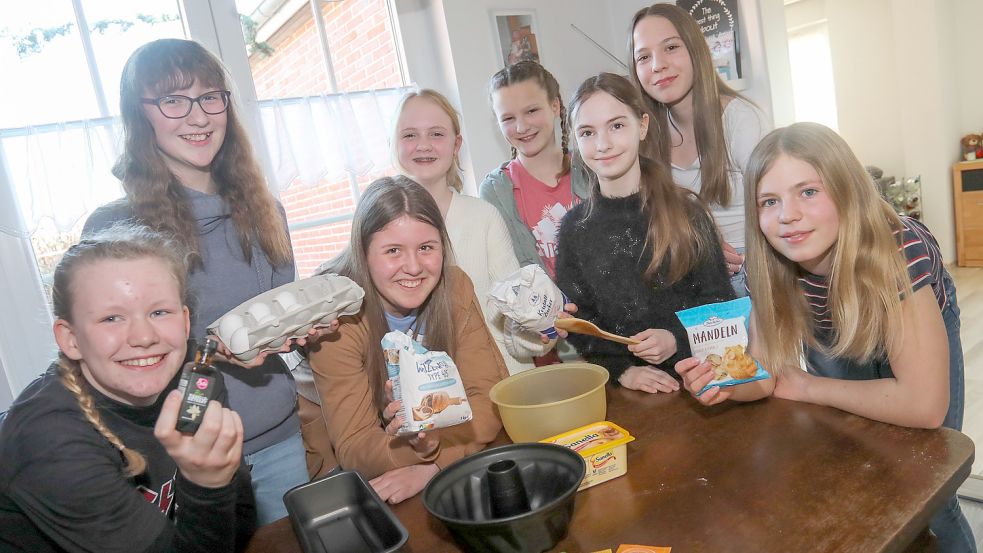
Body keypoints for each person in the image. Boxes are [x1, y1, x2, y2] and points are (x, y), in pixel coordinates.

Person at [675, 122, 975, 552]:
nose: (787, 215)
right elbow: (764, 377)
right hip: (838, 329)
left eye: (808, 192)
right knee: (856, 468)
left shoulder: (895, 251)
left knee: (930, 491)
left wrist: (811, 386)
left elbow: (925, 406)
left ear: (847, 190)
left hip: (907, 323)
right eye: (769, 201)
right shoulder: (770, 267)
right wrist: (720, 384)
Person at [82, 38, 311, 525]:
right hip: (182, 456)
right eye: (173, 100)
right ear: (140, 115)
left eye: (210, 96)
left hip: (278, 439)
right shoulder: (116, 230)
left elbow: (278, 318)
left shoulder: (267, 213)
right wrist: (202, 350)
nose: (198, 116)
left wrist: (303, 332)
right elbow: (110, 355)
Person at [0, 224, 255, 552]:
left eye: (159, 312)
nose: (144, 337)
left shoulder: (197, 377)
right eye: (111, 318)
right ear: (71, 339)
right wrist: (207, 486)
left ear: (186, 321)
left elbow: (240, 518)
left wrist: (214, 483)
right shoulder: (48, 439)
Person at [302, 176, 508, 504]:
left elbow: (491, 401)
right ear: (363, 253)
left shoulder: (454, 289)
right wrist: (415, 446)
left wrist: (434, 462)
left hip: (423, 468)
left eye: (426, 248)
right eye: (393, 251)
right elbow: (355, 449)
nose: (413, 267)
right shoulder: (335, 320)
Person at [555, 72, 733, 394]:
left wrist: (676, 338)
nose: (603, 144)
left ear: (643, 126)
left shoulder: (687, 213)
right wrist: (623, 371)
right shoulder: (573, 229)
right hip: (629, 394)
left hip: (700, 384)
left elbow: (719, 302)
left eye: (617, 126)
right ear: (575, 141)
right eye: (587, 132)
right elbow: (581, 322)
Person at [391, 89, 548, 374]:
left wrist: (539, 327)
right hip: (427, 399)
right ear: (394, 144)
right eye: (410, 135)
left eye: (436, 134)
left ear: (456, 145)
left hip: (501, 387)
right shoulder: (380, 228)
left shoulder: (484, 218)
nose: (423, 145)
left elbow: (514, 327)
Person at [629, 3, 770, 297]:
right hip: (691, 279)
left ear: (696, 49)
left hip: (756, 273)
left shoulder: (740, 120)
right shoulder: (644, 133)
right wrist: (699, 239)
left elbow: (777, 206)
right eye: (644, 56)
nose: (657, 65)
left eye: (670, 48)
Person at [481, 60, 589, 278]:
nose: (521, 127)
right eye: (508, 118)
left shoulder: (592, 166)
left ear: (555, 106)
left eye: (531, 111)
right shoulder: (495, 192)